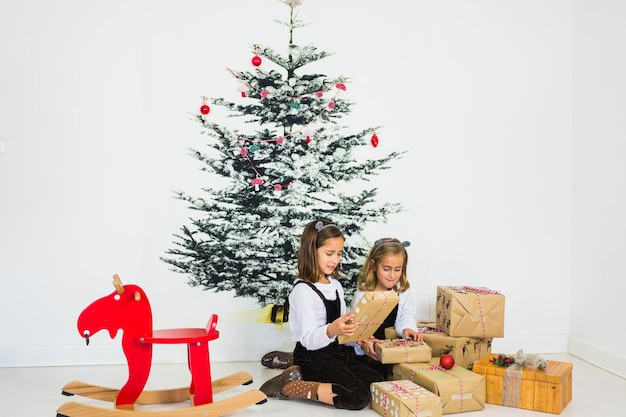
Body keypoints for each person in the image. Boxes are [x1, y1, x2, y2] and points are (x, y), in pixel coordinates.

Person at [259, 219, 385, 410]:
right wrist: (332, 329)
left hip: (336, 352)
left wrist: (360, 338)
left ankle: (293, 366)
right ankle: (289, 386)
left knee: (376, 381)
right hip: (313, 356)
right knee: (357, 397)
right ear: (311, 251)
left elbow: (343, 329)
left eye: (339, 254)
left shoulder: (335, 286)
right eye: (329, 253)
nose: (335, 260)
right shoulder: (303, 291)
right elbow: (309, 340)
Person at [349, 237, 421, 379]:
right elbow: (355, 330)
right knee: (374, 377)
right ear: (374, 265)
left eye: (397, 269)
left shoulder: (402, 291)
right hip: (369, 352)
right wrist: (364, 344)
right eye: (386, 269)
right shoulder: (363, 295)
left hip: (391, 348)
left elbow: (406, 315)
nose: (392, 275)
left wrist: (407, 328)